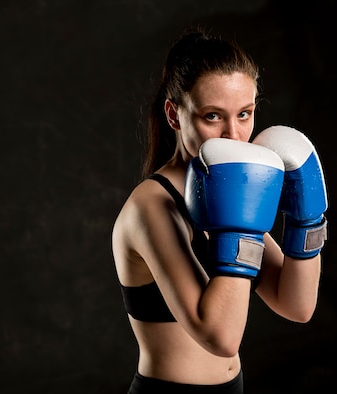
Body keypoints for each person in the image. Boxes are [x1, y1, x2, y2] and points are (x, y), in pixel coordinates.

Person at [111, 27, 328, 393]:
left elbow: (297, 306)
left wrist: (306, 217)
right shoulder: (151, 206)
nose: (234, 135)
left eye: (245, 114)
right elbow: (220, 337)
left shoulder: (227, 188)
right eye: (213, 116)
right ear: (175, 115)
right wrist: (240, 228)